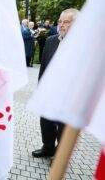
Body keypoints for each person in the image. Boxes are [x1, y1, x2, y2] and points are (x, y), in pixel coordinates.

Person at [32, 8, 79, 158]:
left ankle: (60, 156)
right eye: (60, 21)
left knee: (63, 127)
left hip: (69, 95)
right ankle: (48, 148)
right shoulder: (51, 40)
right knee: (46, 122)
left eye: (66, 22)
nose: (61, 25)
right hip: (49, 92)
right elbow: (44, 68)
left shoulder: (82, 46)